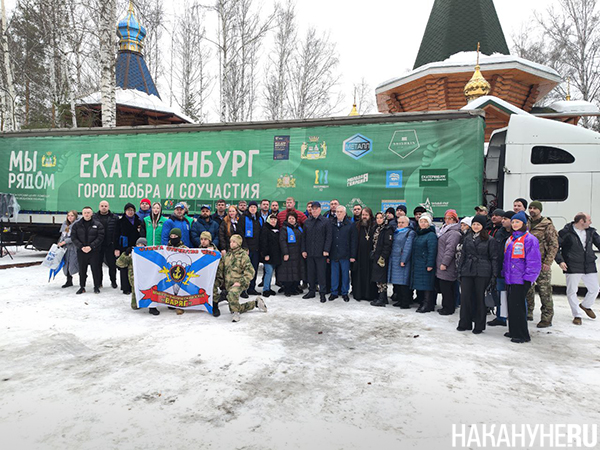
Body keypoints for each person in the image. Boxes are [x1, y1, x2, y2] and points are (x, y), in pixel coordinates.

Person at [503, 211, 541, 343]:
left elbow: (534, 261)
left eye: (517, 222)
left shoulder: (530, 239)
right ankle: (513, 330)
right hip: (511, 278)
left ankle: (522, 334)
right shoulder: (511, 239)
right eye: (513, 222)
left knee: (519, 307)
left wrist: (529, 279)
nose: (514, 224)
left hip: (521, 279)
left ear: (524, 224)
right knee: (512, 306)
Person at [555, 213, 600, 325]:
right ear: (581, 221)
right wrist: (560, 261)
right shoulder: (565, 232)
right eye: (589, 220)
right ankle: (577, 315)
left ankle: (586, 305)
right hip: (572, 264)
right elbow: (555, 247)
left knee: (595, 289)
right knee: (572, 291)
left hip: (589, 264)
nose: (591, 222)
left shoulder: (591, 232)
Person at [456, 215, 498, 334]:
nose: (475, 226)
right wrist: (460, 270)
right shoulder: (467, 238)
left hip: (482, 271)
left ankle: (479, 325)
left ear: (483, 226)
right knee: (465, 298)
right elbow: (463, 255)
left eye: (478, 224)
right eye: (474, 224)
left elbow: (494, 258)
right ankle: (465, 322)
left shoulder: (490, 239)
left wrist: (494, 275)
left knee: (479, 299)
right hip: (467, 270)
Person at [214, 234, 267, 322]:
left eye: (234, 242)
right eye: (231, 241)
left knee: (232, 294)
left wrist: (241, 282)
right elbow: (221, 269)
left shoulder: (243, 255)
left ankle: (236, 313)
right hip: (228, 284)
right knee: (233, 305)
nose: (231, 244)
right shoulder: (227, 255)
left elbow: (250, 271)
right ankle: (256, 303)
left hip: (239, 283)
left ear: (238, 243)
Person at [526, 201, 559, 328]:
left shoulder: (547, 225)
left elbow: (553, 245)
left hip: (541, 263)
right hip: (528, 262)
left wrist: (548, 262)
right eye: (530, 208)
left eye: (535, 208)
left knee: (544, 291)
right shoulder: (527, 223)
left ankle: (546, 317)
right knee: (528, 289)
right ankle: (529, 311)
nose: (532, 210)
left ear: (540, 210)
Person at [116, 237, 159, 316]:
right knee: (135, 306)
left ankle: (152, 306)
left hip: (147, 278)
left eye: (142, 245)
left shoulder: (149, 255)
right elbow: (119, 264)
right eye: (138, 244)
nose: (140, 246)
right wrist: (125, 254)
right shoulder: (132, 254)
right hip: (134, 278)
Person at [488, 210, 515, 327]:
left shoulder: (517, 235)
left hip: (513, 271)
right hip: (499, 268)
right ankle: (501, 317)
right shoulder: (500, 232)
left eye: (506, 219)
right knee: (500, 294)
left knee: (514, 297)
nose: (503, 221)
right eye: (502, 218)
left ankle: (515, 318)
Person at [302, 202, 332, 303]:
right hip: (310, 252)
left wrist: (326, 250)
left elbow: (329, 237)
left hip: (321, 253)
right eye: (312, 208)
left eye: (316, 208)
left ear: (320, 209)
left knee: (321, 274)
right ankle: (311, 291)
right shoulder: (307, 221)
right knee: (310, 273)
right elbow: (304, 237)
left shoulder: (326, 221)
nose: (314, 210)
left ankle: (322, 293)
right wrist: (304, 250)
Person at [71, 206, 105, 294]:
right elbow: (73, 237)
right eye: (85, 212)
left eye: (88, 212)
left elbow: (100, 237)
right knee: (82, 270)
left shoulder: (98, 224)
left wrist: (91, 247)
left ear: (92, 213)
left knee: (95, 269)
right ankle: (82, 286)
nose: (87, 214)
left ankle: (96, 286)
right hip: (81, 251)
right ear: (82, 214)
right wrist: (81, 247)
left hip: (94, 251)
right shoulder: (77, 225)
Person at [435, 209, 462, 315]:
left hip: (447, 265)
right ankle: (445, 306)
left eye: (450, 218)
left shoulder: (454, 233)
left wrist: (444, 263)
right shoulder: (445, 230)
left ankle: (448, 308)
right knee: (444, 287)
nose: (448, 220)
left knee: (447, 288)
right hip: (441, 262)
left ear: (455, 220)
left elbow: (450, 249)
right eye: (446, 218)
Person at [329, 206, 357, 302]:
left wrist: (353, 255)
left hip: (345, 254)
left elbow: (353, 241)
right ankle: (334, 292)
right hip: (334, 254)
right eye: (337, 211)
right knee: (334, 275)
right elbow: (329, 240)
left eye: (341, 212)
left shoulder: (350, 224)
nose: (339, 213)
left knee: (345, 275)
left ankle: (345, 292)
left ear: (345, 213)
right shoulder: (331, 223)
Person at [114, 203, 143, 295]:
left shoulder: (139, 221)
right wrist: (116, 248)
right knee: (124, 267)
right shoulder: (120, 221)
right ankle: (125, 287)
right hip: (124, 247)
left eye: (132, 210)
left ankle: (134, 286)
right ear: (125, 211)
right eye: (128, 210)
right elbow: (115, 235)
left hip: (137, 247)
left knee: (135, 267)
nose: (130, 212)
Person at [411, 213, 438, 312]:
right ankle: (423, 302)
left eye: (425, 222)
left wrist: (430, 264)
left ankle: (428, 304)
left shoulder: (431, 235)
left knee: (427, 285)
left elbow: (432, 251)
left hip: (425, 263)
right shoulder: (419, 233)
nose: (423, 223)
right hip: (418, 263)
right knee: (421, 284)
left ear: (429, 224)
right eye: (421, 221)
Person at [388, 216, 415, 308]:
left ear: (407, 223)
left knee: (403, 282)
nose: (400, 224)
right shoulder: (396, 232)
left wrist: (404, 260)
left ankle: (405, 302)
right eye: (399, 222)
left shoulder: (410, 233)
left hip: (402, 260)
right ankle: (400, 300)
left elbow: (408, 247)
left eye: (402, 222)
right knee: (397, 283)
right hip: (394, 259)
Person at [370, 212, 394, 307]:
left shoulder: (387, 229)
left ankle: (382, 298)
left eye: (381, 218)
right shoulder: (376, 228)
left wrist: (383, 257)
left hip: (382, 257)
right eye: (377, 218)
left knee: (381, 278)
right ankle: (381, 297)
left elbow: (387, 245)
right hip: (375, 256)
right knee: (377, 277)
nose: (379, 219)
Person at [93, 200, 119, 289]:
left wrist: (116, 245)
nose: (104, 207)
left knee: (112, 265)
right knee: (98, 265)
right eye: (102, 206)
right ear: (99, 206)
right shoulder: (94, 217)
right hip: (98, 245)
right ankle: (99, 282)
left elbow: (117, 232)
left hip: (110, 245)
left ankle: (113, 281)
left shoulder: (114, 217)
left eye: (106, 206)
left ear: (108, 207)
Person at [352, 207, 376, 301]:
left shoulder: (374, 226)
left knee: (369, 274)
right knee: (359, 275)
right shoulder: (357, 225)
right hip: (359, 255)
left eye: (366, 215)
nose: (364, 217)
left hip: (370, 255)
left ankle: (369, 295)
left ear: (370, 216)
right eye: (363, 215)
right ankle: (359, 294)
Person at [279, 211, 305, 296]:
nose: (291, 220)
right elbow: (282, 241)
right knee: (288, 272)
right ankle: (287, 289)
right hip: (289, 254)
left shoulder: (299, 228)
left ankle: (294, 288)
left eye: (293, 218)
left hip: (297, 254)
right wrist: (285, 253)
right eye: (289, 218)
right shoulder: (284, 229)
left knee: (296, 271)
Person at [260, 214, 281, 297]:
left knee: (271, 272)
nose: (273, 221)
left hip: (275, 256)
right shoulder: (265, 229)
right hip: (268, 256)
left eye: (275, 220)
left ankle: (268, 287)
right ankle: (265, 289)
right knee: (268, 272)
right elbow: (263, 243)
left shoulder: (277, 229)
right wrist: (265, 254)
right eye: (271, 219)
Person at [243, 201, 262, 295]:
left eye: (255, 207)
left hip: (257, 249)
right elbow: (240, 232)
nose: (253, 209)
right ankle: (243, 289)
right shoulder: (244, 217)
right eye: (251, 207)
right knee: (245, 270)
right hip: (247, 249)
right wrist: (245, 247)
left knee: (254, 269)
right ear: (248, 208)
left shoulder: (259, 218)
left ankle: (251, 288)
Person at [57, 210, 79, 288]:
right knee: (66, 264)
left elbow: (75, 237)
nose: (70, 217)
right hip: (66, 249)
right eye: (69, 215)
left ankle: (83, 280)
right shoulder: (65, 224)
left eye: (72, 215)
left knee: (75, 264)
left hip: (74, 248)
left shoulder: (77, 225)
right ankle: (69, 280)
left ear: (75, 217)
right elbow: (62, 235)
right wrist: (59, 243)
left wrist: (65, 242)